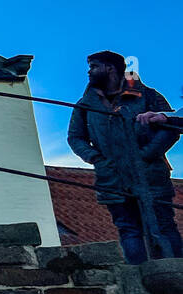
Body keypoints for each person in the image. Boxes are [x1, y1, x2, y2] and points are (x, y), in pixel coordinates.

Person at [67, 50, 182, 263]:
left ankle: (176, 271)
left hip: (150, 173)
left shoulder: (148, 96)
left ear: (110, 68)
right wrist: (96, 159)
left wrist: (145, 155)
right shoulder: (85, 105)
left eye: (94, 66)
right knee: (128, 229)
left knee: (164, 225)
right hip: (111, 176)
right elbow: (75, 137)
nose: (89, 72)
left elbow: (170, 127)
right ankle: (139, 277)